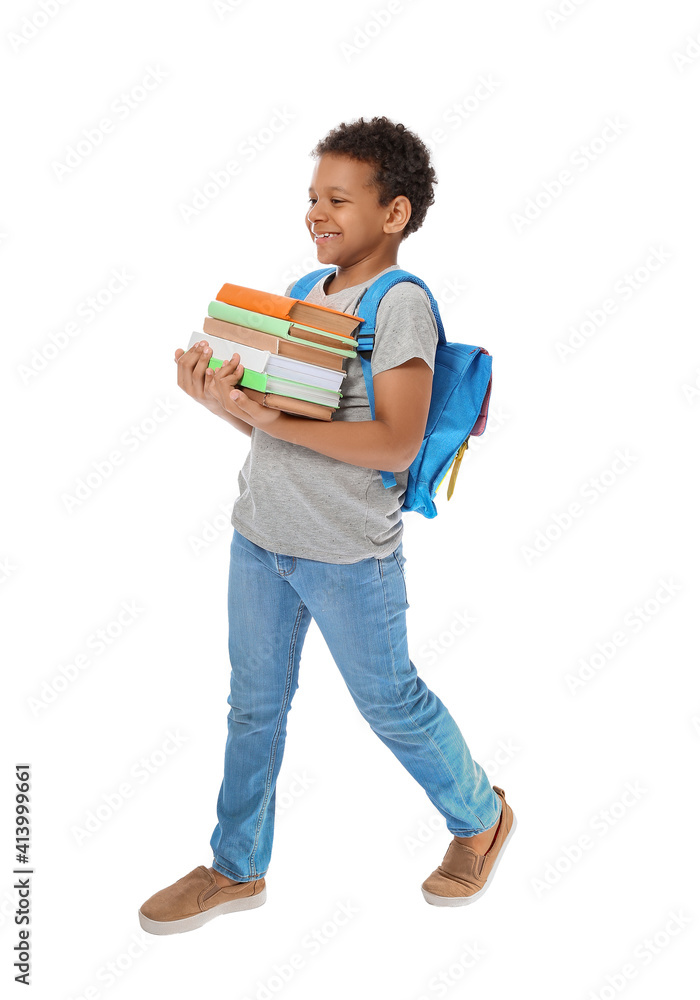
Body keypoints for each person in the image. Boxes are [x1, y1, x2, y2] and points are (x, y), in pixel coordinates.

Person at [138, 115, 516, 935]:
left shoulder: (401, 303)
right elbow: (287, 428)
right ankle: (235, 867)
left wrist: (268, 420)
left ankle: (481, 817)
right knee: (253, 708)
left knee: (392, 703)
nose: (316, 212)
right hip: (261, 537)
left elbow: (394, 440)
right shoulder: (307, 295)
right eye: (312, 197)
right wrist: (225, 405)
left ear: (395, 214)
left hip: (349, 556)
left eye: (338, 198)